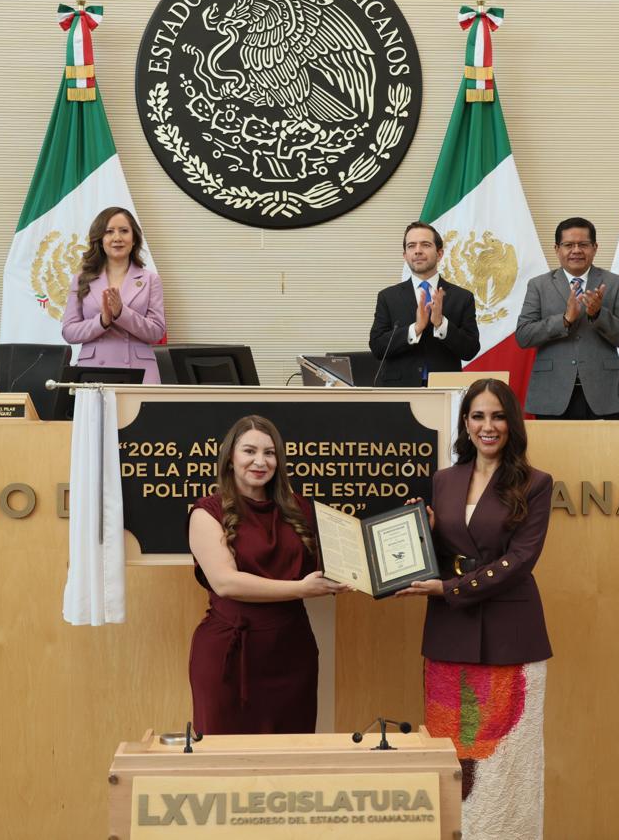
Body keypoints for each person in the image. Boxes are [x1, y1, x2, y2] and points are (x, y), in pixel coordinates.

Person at [397, 379, 553, 838]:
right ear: (465, 423)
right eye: (478, 416)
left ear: (512, 423)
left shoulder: (536, 483)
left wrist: (449, 588)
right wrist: (422, 532)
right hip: (450, 631)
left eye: (498, 416)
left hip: (510, 634)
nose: (488, 426)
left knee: (507, 759)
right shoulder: (444, 480)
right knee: (454, 756)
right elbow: (444, 552)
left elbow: (520, 559)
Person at [186, 415, 349, 734]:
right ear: (230, 458)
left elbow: (342, 558)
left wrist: (415, 533)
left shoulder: (300, 509)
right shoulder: (207, 512)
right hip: (229, 658)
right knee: (226, 758)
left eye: (270, 453)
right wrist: (300, 589)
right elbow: (225, 583)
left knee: (291, 756)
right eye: (249, 451)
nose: (260, 461)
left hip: (293, 654)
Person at [515, 216, 619, 418]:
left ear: (595, 248)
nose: (576, 250)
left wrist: (599, 314)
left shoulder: (615, 284)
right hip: (552, 393)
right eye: (569, 245)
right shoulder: (538, 285)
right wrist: (564, 320)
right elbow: (524, 336)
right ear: (557, 249)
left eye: (583, 244)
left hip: (605, 394)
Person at [369, 221, 480, 387]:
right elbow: (377, 347)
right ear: (405, 255)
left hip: (445, 388)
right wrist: (415, 328)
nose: (418, 251)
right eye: (411, 246)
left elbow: (470, 350)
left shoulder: (462, 297)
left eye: (425, 245)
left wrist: (441, 324)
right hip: (400, 390)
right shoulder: (388, 297)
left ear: (439, 253)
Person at [61, 206, 165, 382]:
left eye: (124, 231)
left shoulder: (150, 279)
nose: (117, 238)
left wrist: (121, 313)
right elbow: (69, 332)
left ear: (134, 239)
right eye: (109, 232)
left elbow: (157, 332)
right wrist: (102, 321)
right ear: (100, 239)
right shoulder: (81, 279)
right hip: (93, 372)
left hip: (140, 372)